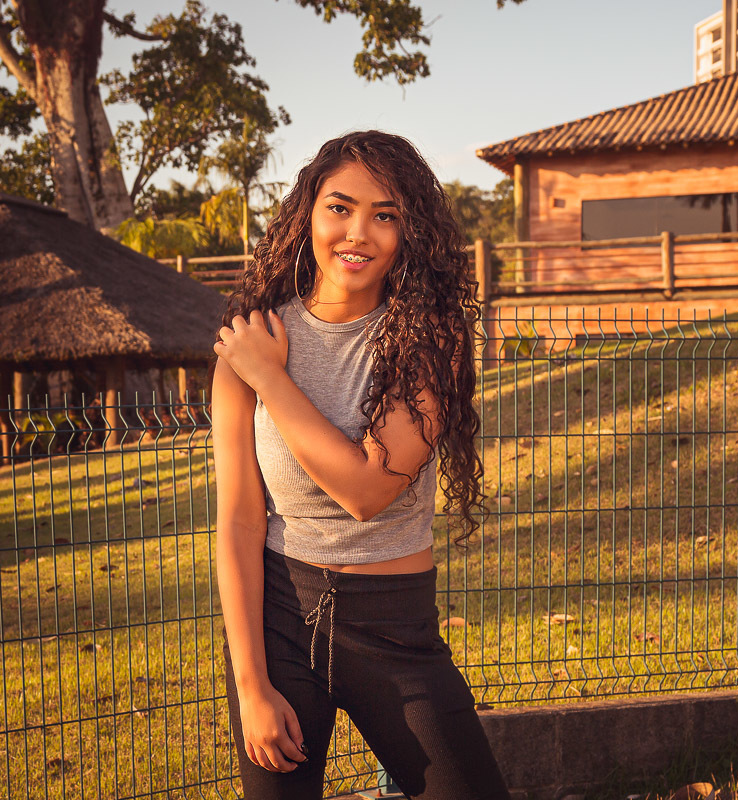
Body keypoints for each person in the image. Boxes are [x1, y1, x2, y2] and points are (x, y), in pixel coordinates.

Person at [209, 130, 511, 800]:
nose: (358, 233)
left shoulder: (432, 338)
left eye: (385, 215)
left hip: (396, 631)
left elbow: (367, 491)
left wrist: (271, 379)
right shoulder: (252, 338)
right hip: (281, 623)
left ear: (410, 232)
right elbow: (236, 523)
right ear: (308, 214)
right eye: (340, 208)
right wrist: (253, 684)